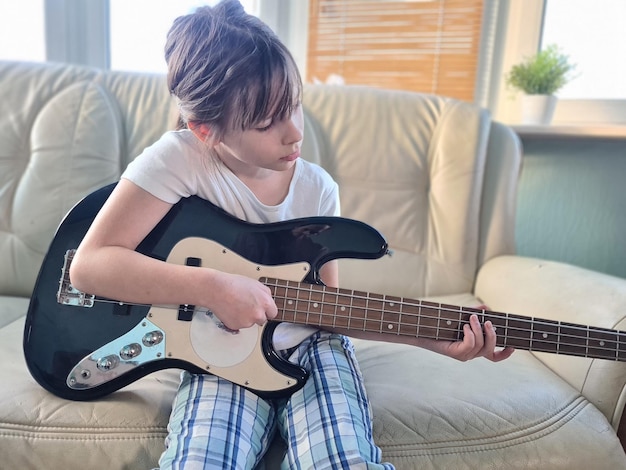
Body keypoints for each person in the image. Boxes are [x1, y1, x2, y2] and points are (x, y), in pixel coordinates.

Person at [69, 1, 514, 468]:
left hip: (313, 347)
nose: (293, 133)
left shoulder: (316, 189)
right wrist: (215, 287)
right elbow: (90, 265)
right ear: (205, 130)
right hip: (215, 358)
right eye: (267, 122)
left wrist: (435, 339)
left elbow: (332, 308)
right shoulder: (178, 160)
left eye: (294, 105)